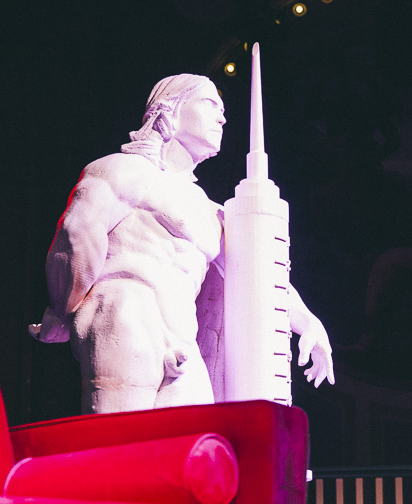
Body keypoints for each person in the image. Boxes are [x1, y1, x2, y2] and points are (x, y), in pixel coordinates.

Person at [30, 74, 333, 414]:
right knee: (122, 447)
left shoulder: (210, 211)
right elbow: (77, 234)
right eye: (209, 104)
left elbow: (258, 272)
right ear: (170, 111)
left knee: (193, 446)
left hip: (182, 341)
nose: (222, 117)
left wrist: (307, 322)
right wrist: (63, 309)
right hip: (125, 316)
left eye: (223, 109)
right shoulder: (124, 170)